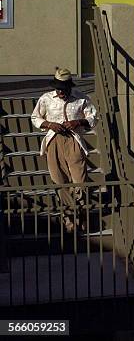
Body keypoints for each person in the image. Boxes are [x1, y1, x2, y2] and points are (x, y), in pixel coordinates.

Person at [31, 68, 98, 232]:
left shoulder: (81, 98)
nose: (60, 91)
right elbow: (35, 117)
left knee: (80, 181)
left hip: (74, 141)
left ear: (69, 86)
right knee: (60, 181)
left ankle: (82, 216)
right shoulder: (46, 98)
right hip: (54, 142)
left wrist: (78, 122)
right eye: (57, 88)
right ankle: (68, 219)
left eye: (63, 88)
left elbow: (93, 117)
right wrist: (49, 124)